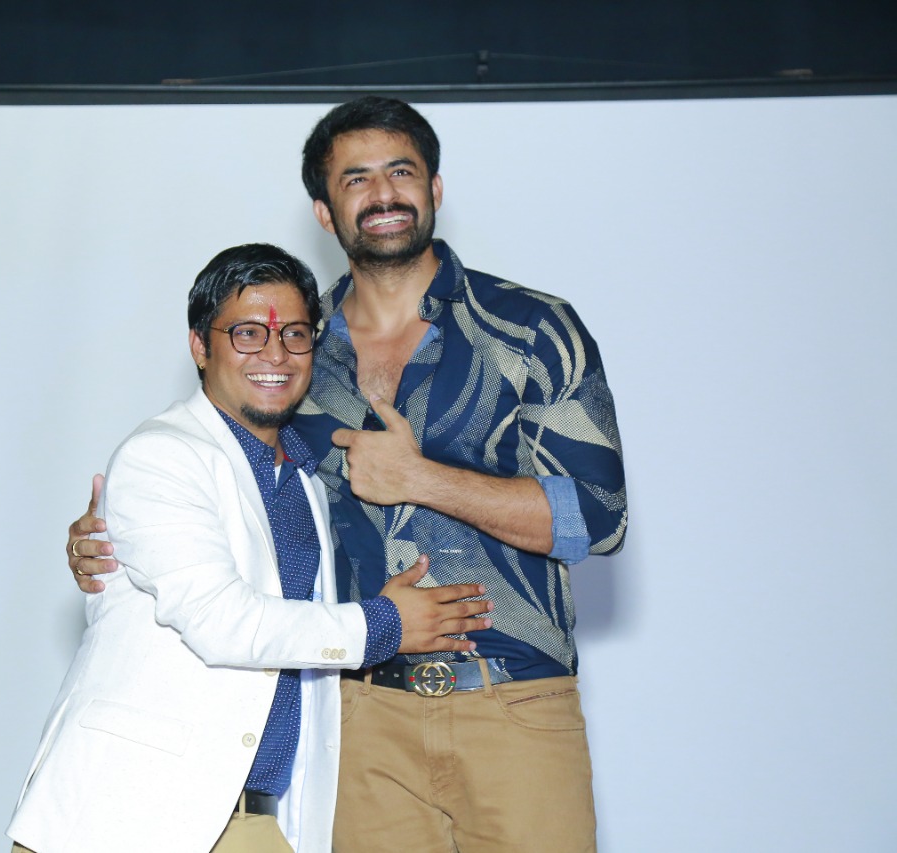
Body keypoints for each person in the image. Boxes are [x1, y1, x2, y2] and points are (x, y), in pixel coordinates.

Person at [69, 98, 628, 852]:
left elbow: (598, 517)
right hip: (357, 721)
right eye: (356, 178)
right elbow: (219, 486)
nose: (383, 193)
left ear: (435, 188)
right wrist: (114, 543)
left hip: (515, 701)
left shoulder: (532, 329)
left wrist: (420, 478)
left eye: (402, 171)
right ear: (325, 212)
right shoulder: (294, 351)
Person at [8, 243, 493, 853]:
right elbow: (221, 621)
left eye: (295, 334)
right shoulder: (162, 455)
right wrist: (385, 624)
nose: (275, 353)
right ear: (199, 346)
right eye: (247, 333)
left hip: (251, 817)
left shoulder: (308, 481)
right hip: (124, 811)